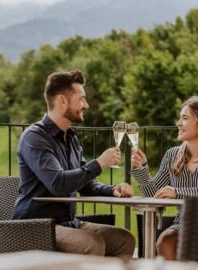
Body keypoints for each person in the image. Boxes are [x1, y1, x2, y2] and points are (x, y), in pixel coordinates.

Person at [13, 69, 135, 257]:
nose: (86, 105)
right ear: (62, 101)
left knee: (124, 239)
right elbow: (58, 183)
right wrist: (99, 163)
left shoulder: (70, 138)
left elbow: (86, 185)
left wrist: (112, 190)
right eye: (81, 99)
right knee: (91, 243)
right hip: (36, 225)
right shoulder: (34, 137)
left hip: (68, 222)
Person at [130, 96, 198, 260]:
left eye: (185, 118)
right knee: (165, 241)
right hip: (184, 224)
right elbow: (154, 193)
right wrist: (142, 168)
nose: (178, 123)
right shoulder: (172, 155)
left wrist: (178, 192)